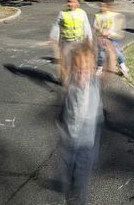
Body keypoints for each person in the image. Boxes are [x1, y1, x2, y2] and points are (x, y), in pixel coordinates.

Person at [56, 44, 103, 205]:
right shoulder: (70, 82)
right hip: (69, 142)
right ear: (73, 68)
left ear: (92, 69)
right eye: (79, 68)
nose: (82, 71)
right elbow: (62, 68)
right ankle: (73, 196)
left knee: (79, 183)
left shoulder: (95, 84)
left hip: (86, 146)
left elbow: (108, 74)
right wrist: (64, 50)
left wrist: (109, 50)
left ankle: (78, 200)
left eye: (87, 68)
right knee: (69, 178)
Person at [50, 0, 93, 86]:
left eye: (73, 2)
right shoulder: (62, 14)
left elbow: (87, 27)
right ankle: (65, 80)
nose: (70, 4)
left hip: (79, 42)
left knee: (78, 62)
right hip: (66, 42)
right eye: (69, 1)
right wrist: (54, 37)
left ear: (78, 3)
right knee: (65, 62)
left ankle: (79, 79)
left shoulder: (82, 13)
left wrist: (89, 39)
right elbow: (56, 26)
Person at [93, 0, 128, 77]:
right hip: (101, 38)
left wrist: (109, 32)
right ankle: (99, 68)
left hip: (111, 38)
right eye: (101, 6)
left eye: (104, 6)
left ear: (107, 7)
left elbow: (116, 23)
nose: (102, 8)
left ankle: (123, 66)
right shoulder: (98, 15)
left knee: (117, 52)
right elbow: (95, 25)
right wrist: (100, 30)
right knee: (101, 54)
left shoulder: (111, 15)